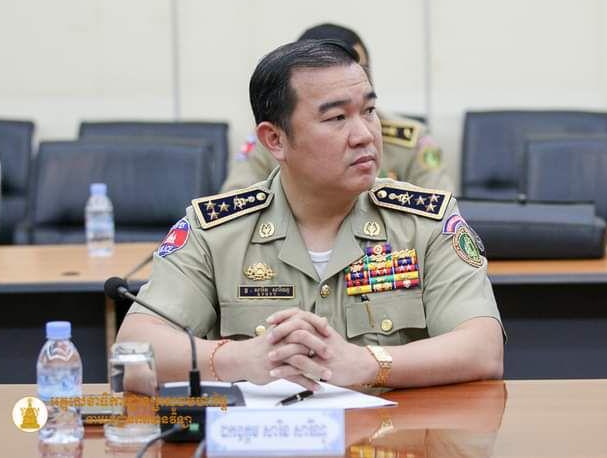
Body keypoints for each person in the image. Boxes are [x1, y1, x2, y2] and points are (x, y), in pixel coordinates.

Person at [117, 39, 503, 391]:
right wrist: (242, 359)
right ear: (275, 140)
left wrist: (369, 364)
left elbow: (483, 349)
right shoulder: (215, 232)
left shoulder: (426, 222)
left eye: (368, 111)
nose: (365, 134)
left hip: (394, 436)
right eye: (336, 118)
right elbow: (132, 354)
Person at [221, 23, 454, 193]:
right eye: (336, 117)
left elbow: (441, 216)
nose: (363, 136)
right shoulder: (273, 139)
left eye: (357, 69)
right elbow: (237, 206)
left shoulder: (412, 139)